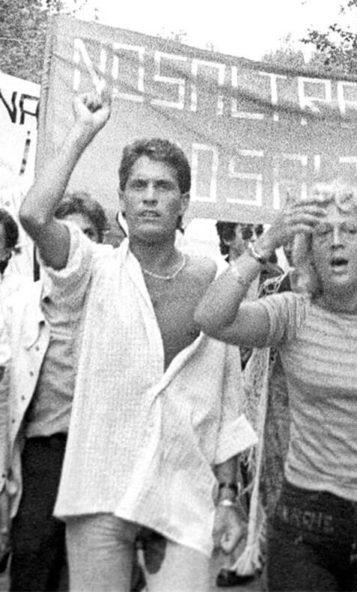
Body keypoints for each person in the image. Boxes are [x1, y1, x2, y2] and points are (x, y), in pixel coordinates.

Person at [17, 85, 255, 590]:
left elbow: (226, 401)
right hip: (102, 487)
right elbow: (35, 215)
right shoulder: (93, 268)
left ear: (183, 201)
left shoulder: (213, 281)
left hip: (182, 492)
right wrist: (83, 131)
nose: (150, 196)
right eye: (139, 185)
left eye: (163, 186)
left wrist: (229, 497)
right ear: (122, 196)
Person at [194, 182, 357, 591]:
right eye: (321, 233)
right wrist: (264, 245)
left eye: (349, 231)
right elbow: (211, 318)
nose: (335, 242)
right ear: (307, 252)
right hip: (302, 528)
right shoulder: (292, 314)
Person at [0, 193, 106, 591]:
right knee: (33, 567)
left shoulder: (116, 302)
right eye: (67, 233)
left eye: (89, 235)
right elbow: (6, 395)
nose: (77, 244)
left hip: (100, 457)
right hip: (43, 458)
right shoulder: (19, 307)